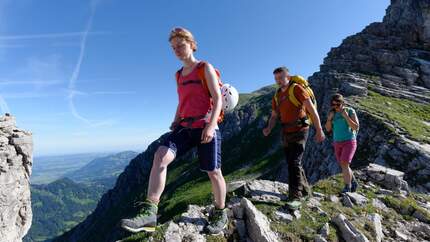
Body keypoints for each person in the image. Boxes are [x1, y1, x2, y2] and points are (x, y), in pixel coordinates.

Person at [120, 27, 228, 234]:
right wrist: (175, 119)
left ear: (192, 44)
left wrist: (211, 126)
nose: (177, 50)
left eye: (181, 45)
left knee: (213, 172)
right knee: (160, 156)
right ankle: (150, 212)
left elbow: (217, 98)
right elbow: (182, 101)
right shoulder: (178, 75)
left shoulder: (204, 67)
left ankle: (220, 211)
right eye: (173, 47)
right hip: (185, 126)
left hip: (205, 125)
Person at [263, 66, 325, 210]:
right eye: (276, 79)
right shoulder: (277, 95)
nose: (278, 81)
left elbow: (311, 110)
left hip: (300, 130)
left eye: (281, 78)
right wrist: (268, 128)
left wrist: (319, 130)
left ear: (288, 77)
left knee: (294, 162)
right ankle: (305, 191)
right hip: (286, 132)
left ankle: (295, 197)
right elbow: (274, 116)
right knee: (293, 162)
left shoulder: (296, 89)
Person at [325, 93, 359, 193]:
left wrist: (346, 116)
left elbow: (355, 127)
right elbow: (328, 129)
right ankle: (353, 182)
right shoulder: (332, 113)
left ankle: (347, 187)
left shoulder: (350, 111)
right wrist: (329, 119)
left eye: (337, 105)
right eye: (333, 105)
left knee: (344, 163)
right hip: (337, 142)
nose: (335, 107)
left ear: (342, 103)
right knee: (344, 165)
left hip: (349, 141)